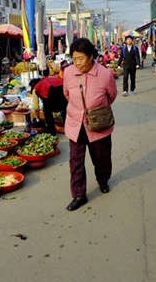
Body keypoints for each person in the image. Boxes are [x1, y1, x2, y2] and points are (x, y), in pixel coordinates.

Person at [63, 38, 117, 211]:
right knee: (75, 161)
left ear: (91, 56)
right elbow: (67, 94)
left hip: (98, 124)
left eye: (81, 58)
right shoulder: (69, 72)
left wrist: (95, 109)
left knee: (101, 158)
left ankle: (103, 180)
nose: (77, 62)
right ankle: (79, 194)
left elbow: (111, 96)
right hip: (75, 123)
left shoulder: (105, 74)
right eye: (74, 58)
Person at [30, 69, 68, 136]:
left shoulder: (36, 87)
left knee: (47, 112)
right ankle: (68, 130)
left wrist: (38, 118)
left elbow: (36, 107)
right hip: (63, 91)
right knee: (65, 110)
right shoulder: (48, 79)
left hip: (51, 94)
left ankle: (52, 132)